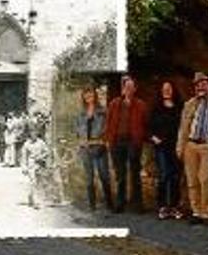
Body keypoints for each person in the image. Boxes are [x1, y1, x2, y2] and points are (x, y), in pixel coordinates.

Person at [176, 72, 208, 225]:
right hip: (191, 144)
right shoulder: (189, 104)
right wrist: (180, 146)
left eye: (204, 83)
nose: (201, 86)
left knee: (205, 179)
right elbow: (183, 127)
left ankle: (207, 213)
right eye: (198, 84)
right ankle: (196, 212)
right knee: (192, 180)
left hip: (207, 145)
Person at [105, 75, 148, 213]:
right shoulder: (114, 104)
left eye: (131, 87)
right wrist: (109, 140)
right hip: (117, 142)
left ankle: (137, 204)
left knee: (135, 173)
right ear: (122, 89)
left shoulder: (141, 105)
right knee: (120, 175)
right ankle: (120, 202)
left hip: (133, 142)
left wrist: (140, 138)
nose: (128, 89)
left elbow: (145, 124)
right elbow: (109, 123)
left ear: (135, 89)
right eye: (126, 87)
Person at [149, 81, 184, 220]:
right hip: (161, 146)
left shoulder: (180, 107)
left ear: (173, 90)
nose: (167, 91)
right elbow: (149, 126)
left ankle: (174, 207)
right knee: (164, 176)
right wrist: (153, 137)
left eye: (169, 88)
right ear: (161, 91)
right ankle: (163, 207)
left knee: (175, 176)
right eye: (164, 89)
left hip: (176, 146)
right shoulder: (156, 107)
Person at [75, 86, 113, 212]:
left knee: (104, 176)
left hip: (99, 147)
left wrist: (104, 140)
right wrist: (80, 141)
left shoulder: (103, 111)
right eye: (86, 95)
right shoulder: (80, 113)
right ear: (83, 97)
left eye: (90, 95)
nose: (88, 97)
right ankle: (92, 206)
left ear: (95, 96)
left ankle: (109, 204)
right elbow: (77, 130)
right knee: (89, 178)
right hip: (86, 149)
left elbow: (108, 127)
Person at [22, 125, 52, 209]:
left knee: (40, 182)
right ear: (30, 134)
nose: (33, 134)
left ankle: (35, 198)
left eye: (35, 133)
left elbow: (47, 152)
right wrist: (24, 167)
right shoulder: (26, 144)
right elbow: (24, 156)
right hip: (31, 164)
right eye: (32, 133)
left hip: (41, 164)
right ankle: (34, 201)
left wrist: (42, 157)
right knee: (33, 182)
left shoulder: (41, 142)